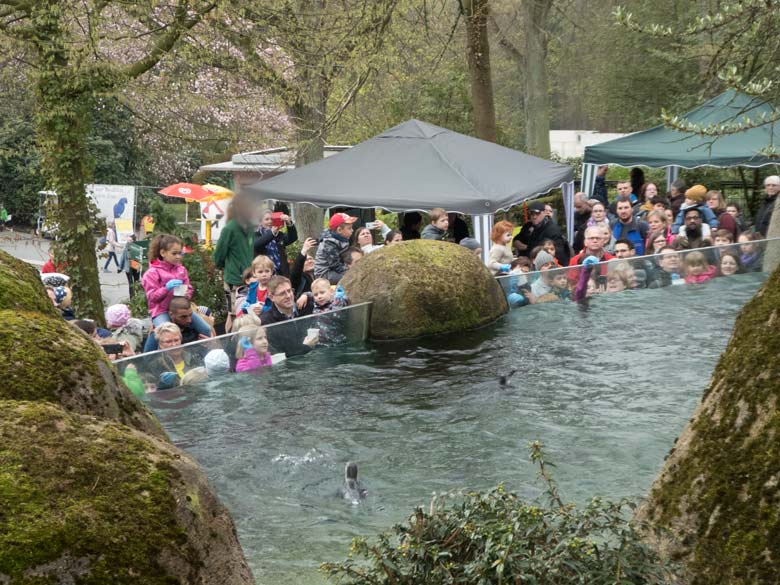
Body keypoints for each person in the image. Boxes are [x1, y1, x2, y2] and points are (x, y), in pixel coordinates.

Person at [141, 233, 212, 339]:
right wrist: (166, 288)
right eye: (174, 253)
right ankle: (148, 354)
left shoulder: (181, 270)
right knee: (164, 334)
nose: (178, 256)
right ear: (163, 253)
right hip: (161, 311)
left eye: (180, 253)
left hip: (181, 310)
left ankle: (203, 353)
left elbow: (189, 288)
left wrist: (186, 293)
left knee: (206, 329)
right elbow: (152, 298)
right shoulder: (152, 273)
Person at [213, 193, 255, 327]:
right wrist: (230, 269)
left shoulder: (250, 228)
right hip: (234, 280)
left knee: (249, 312)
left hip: (250, 278)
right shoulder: (230, 228)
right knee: (234, 315)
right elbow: (218, 256)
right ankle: (231, 342)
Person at [260, 276, 317, 358]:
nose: (288, 296)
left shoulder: (307, 306)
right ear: (272, 297)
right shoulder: (266, 321)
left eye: (289, 291)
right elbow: (278, 354)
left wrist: (307, 295)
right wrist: (306, 347)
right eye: (282, 293)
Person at [143, 296, 213, 352]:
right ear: (171, 314)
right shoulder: (158, 334)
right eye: (183, 317)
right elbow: (146, 360)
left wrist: (212, 345)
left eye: (190, 315)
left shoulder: (197, 329)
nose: (189, 320)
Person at [145, 322, 202, 390]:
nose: (174, 345)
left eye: (176, 340)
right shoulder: (155, 365)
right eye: (168, 342)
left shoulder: (194, 355)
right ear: (160, 344)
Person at [513, 201, 570, 265]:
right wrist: (526, 247)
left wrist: (527, 247)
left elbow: (555, 252)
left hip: (548, 264)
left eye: (537, 214)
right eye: (532, 214)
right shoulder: (528, 226)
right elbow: (516, 241)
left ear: (544, 213)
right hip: (529, 263)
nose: (534, 217)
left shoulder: (552, 229)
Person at [314, 212, 357, 284]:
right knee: (351, 277)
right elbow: (334, 264)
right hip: (324, 274)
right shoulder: (329, 243)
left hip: (334, 269)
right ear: (339, 230)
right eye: (349, 228)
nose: (352, 230)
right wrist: (348, 271)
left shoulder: (342, 239)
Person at [254, 208, 297, 277]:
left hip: (282, 273)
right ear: (260, 222)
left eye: (272, 219)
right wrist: (272, 233)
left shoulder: (279, 234)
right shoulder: (256, 235)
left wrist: (289, 223)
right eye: (267, 219)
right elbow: (257, 244)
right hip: (265, 274)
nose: (270, 222)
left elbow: (292, 238)